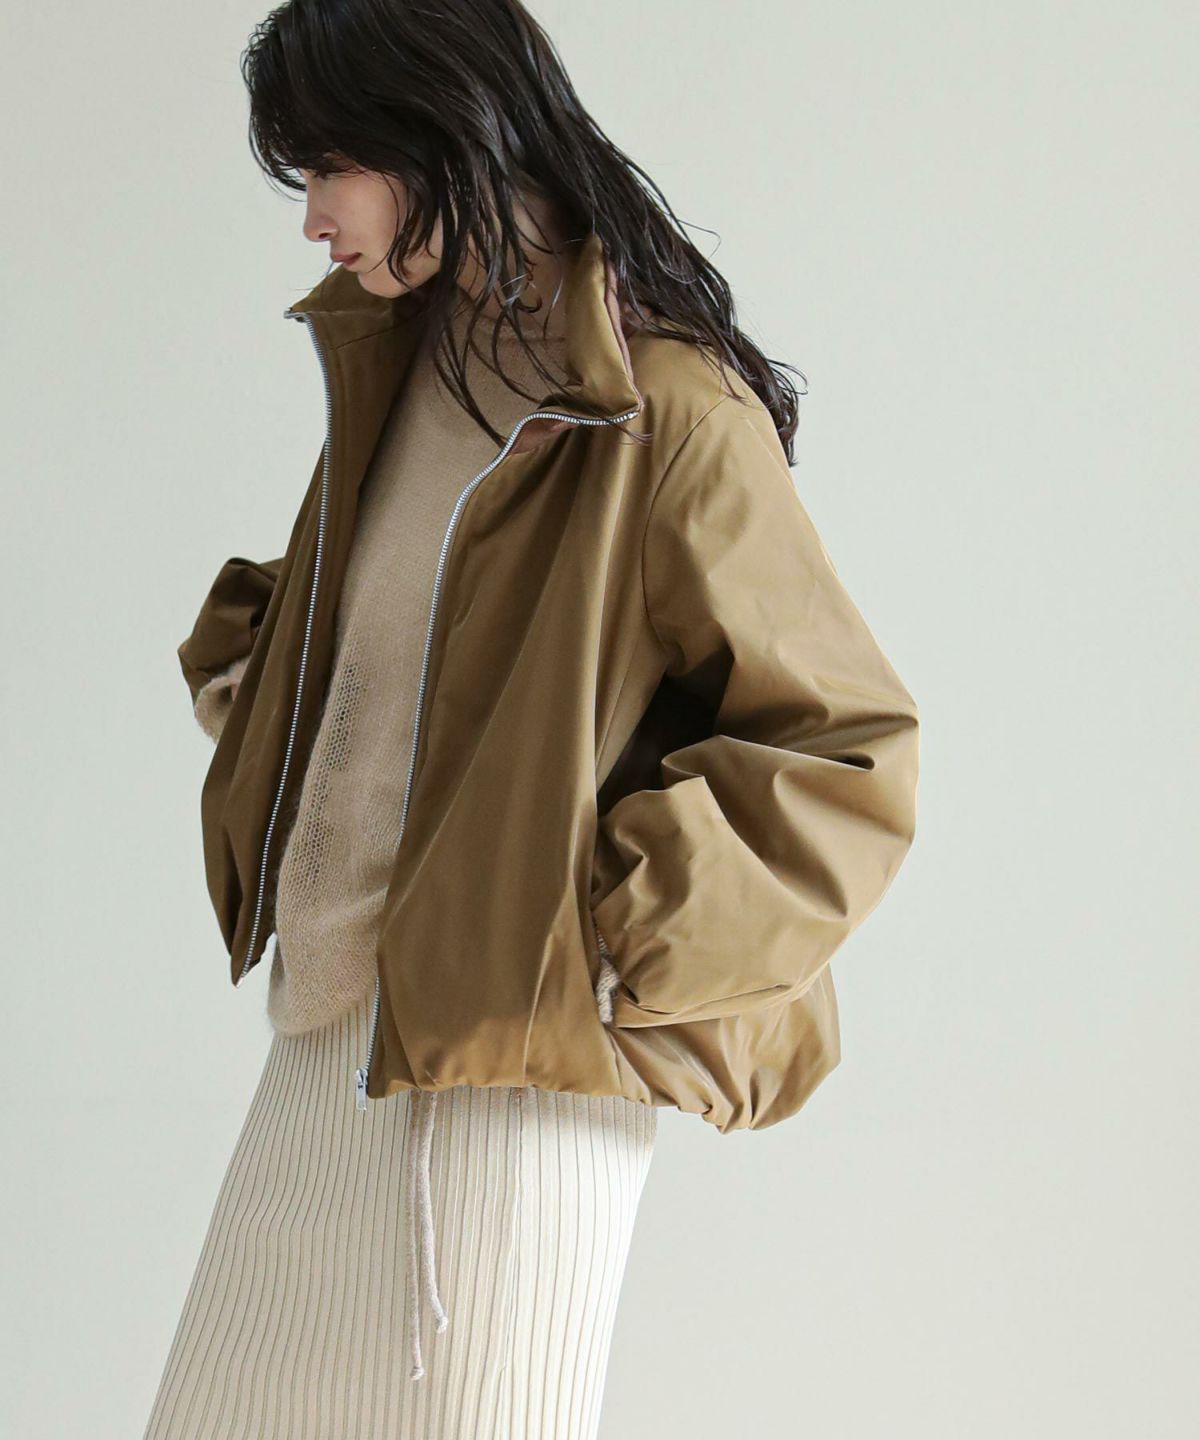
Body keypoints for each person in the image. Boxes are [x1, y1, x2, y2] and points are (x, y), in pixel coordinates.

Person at [143, 1, 921, 1436]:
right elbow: (376, 633)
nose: (313, 219)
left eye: (331, 167)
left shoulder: (662, 409)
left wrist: (602, 939)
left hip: (509, 1088)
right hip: (329, 1031)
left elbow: (841, 754)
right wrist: (268, 715)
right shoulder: (412, 358)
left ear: (442, 128)